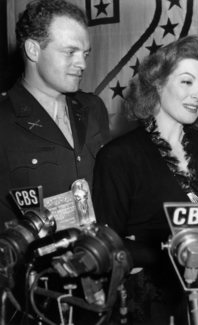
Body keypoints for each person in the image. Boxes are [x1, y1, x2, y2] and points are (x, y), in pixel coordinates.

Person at [92, 35, 198, 324]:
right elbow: (109, 247)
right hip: (148, 306)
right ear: (157, 82)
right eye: (187, 82)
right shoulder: (119, 156)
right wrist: (166, 250)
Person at [0, 0, 110, 230]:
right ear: (33, 50)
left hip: (100, 255)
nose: (81, 64)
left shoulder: (93, 108)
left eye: (85, 54)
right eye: (70, 52)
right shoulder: (4, 121)